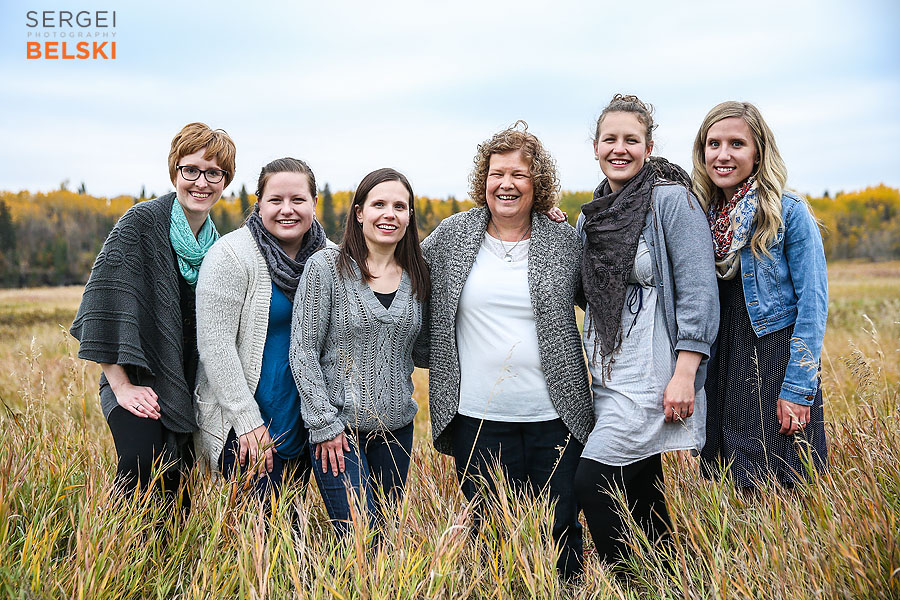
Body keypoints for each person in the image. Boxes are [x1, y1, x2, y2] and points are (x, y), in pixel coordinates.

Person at [421, 122, 592, 579]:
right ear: (485, 179)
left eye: (520, 174)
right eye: (497, 173)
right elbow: (401, 272)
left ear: (538, 184)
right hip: (477, 414)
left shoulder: (563, 240)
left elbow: (603, 301)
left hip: (555, 414)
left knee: (560, 528)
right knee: (492, 533)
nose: (507, 184)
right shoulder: (454, 235)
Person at [572, 94, 719, 565]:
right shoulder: (592, 215)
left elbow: (699, 291)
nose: (620, 148)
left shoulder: (671, 201)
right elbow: (582, 292)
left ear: (648, 146)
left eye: (631, 139)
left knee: (590, 482)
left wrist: (684, 373)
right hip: (608, 371)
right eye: (609, 139)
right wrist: (552, 228)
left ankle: (630, 581)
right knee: (640, 489)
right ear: (594, 147)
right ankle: (669, 580)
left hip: (653, 372)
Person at [70, 122, 236, 498]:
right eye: (190, 170)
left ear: (225, 181)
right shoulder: (141, 223)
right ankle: (114, 553)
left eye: (214, 173)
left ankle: (165, 559)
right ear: (174, 170)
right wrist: (122, 386)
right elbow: (103, 306)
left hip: (188, 388)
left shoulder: (221, 249)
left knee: (178, 488)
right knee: (140, 465)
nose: (201, 182)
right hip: (136, 381)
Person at [694, 101, 828, 488]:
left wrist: (798, 390)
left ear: (758, 153)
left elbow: (813, 308)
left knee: (782, 481)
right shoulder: (698, 214)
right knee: (725, 481)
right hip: (721, 360)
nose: (723, 155)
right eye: (713, 143)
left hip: (772, 357)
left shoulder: (788, 212)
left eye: (736, 144)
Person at [290, 167, 429, 534]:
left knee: (383, 537)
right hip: (338, 431)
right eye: (379, 204)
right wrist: (324, 425)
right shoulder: (326, 267)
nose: (390, 214)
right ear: (359, 212)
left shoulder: (419, 273)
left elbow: (427, 348)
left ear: (410, 216)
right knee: (356, 533)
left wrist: (542, 213)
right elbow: (303, 351)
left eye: (400, 206)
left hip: (397, 429)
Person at [194, 158, 329, 501]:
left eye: (298, 200)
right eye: (276, 200)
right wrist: (247, 422)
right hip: (244, 427)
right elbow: (215, 345)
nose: (288, 209)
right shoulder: (231, 255)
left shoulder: (331, 258)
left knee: (292, 529)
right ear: (258, 204)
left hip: (304, 422)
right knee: (250, 538)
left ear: (314, 203)